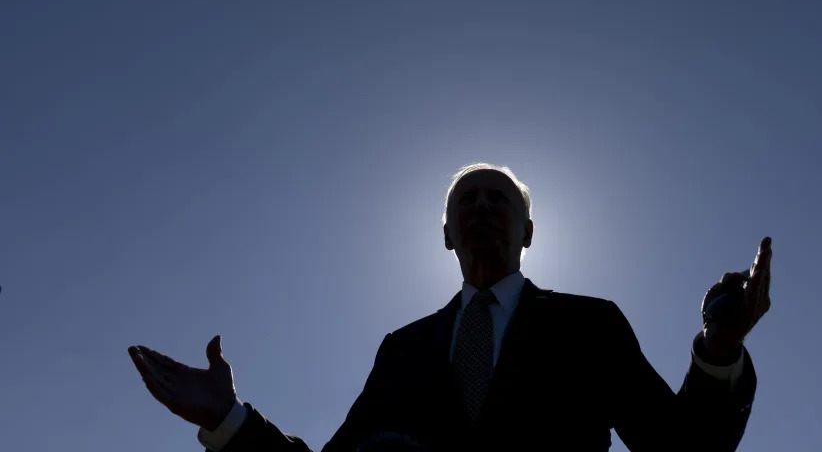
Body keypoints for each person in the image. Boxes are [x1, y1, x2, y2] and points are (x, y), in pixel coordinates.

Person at [129, 163, 773, 451]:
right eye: (467, 201)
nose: (483, 208)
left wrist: (719, 352)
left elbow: (683, 449)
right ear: (445, 234)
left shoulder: (588, 324)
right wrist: (229, 421)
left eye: (501, 200)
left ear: (528, 232)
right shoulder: (403, 348)